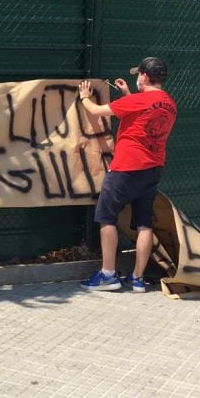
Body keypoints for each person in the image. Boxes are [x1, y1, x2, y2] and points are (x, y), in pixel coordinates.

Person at [76, 56, 177, 293]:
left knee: (106, 216)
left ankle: (108, 275)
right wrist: (127, 94)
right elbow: (143, 113)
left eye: (138, 75)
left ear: (144, 75)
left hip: (127, 166)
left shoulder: (140, 100)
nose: (137, 79)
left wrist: (84, 97)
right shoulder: (169, 103)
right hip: (153, 168)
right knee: (144, 223)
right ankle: (138, 279)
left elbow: (97, 110)